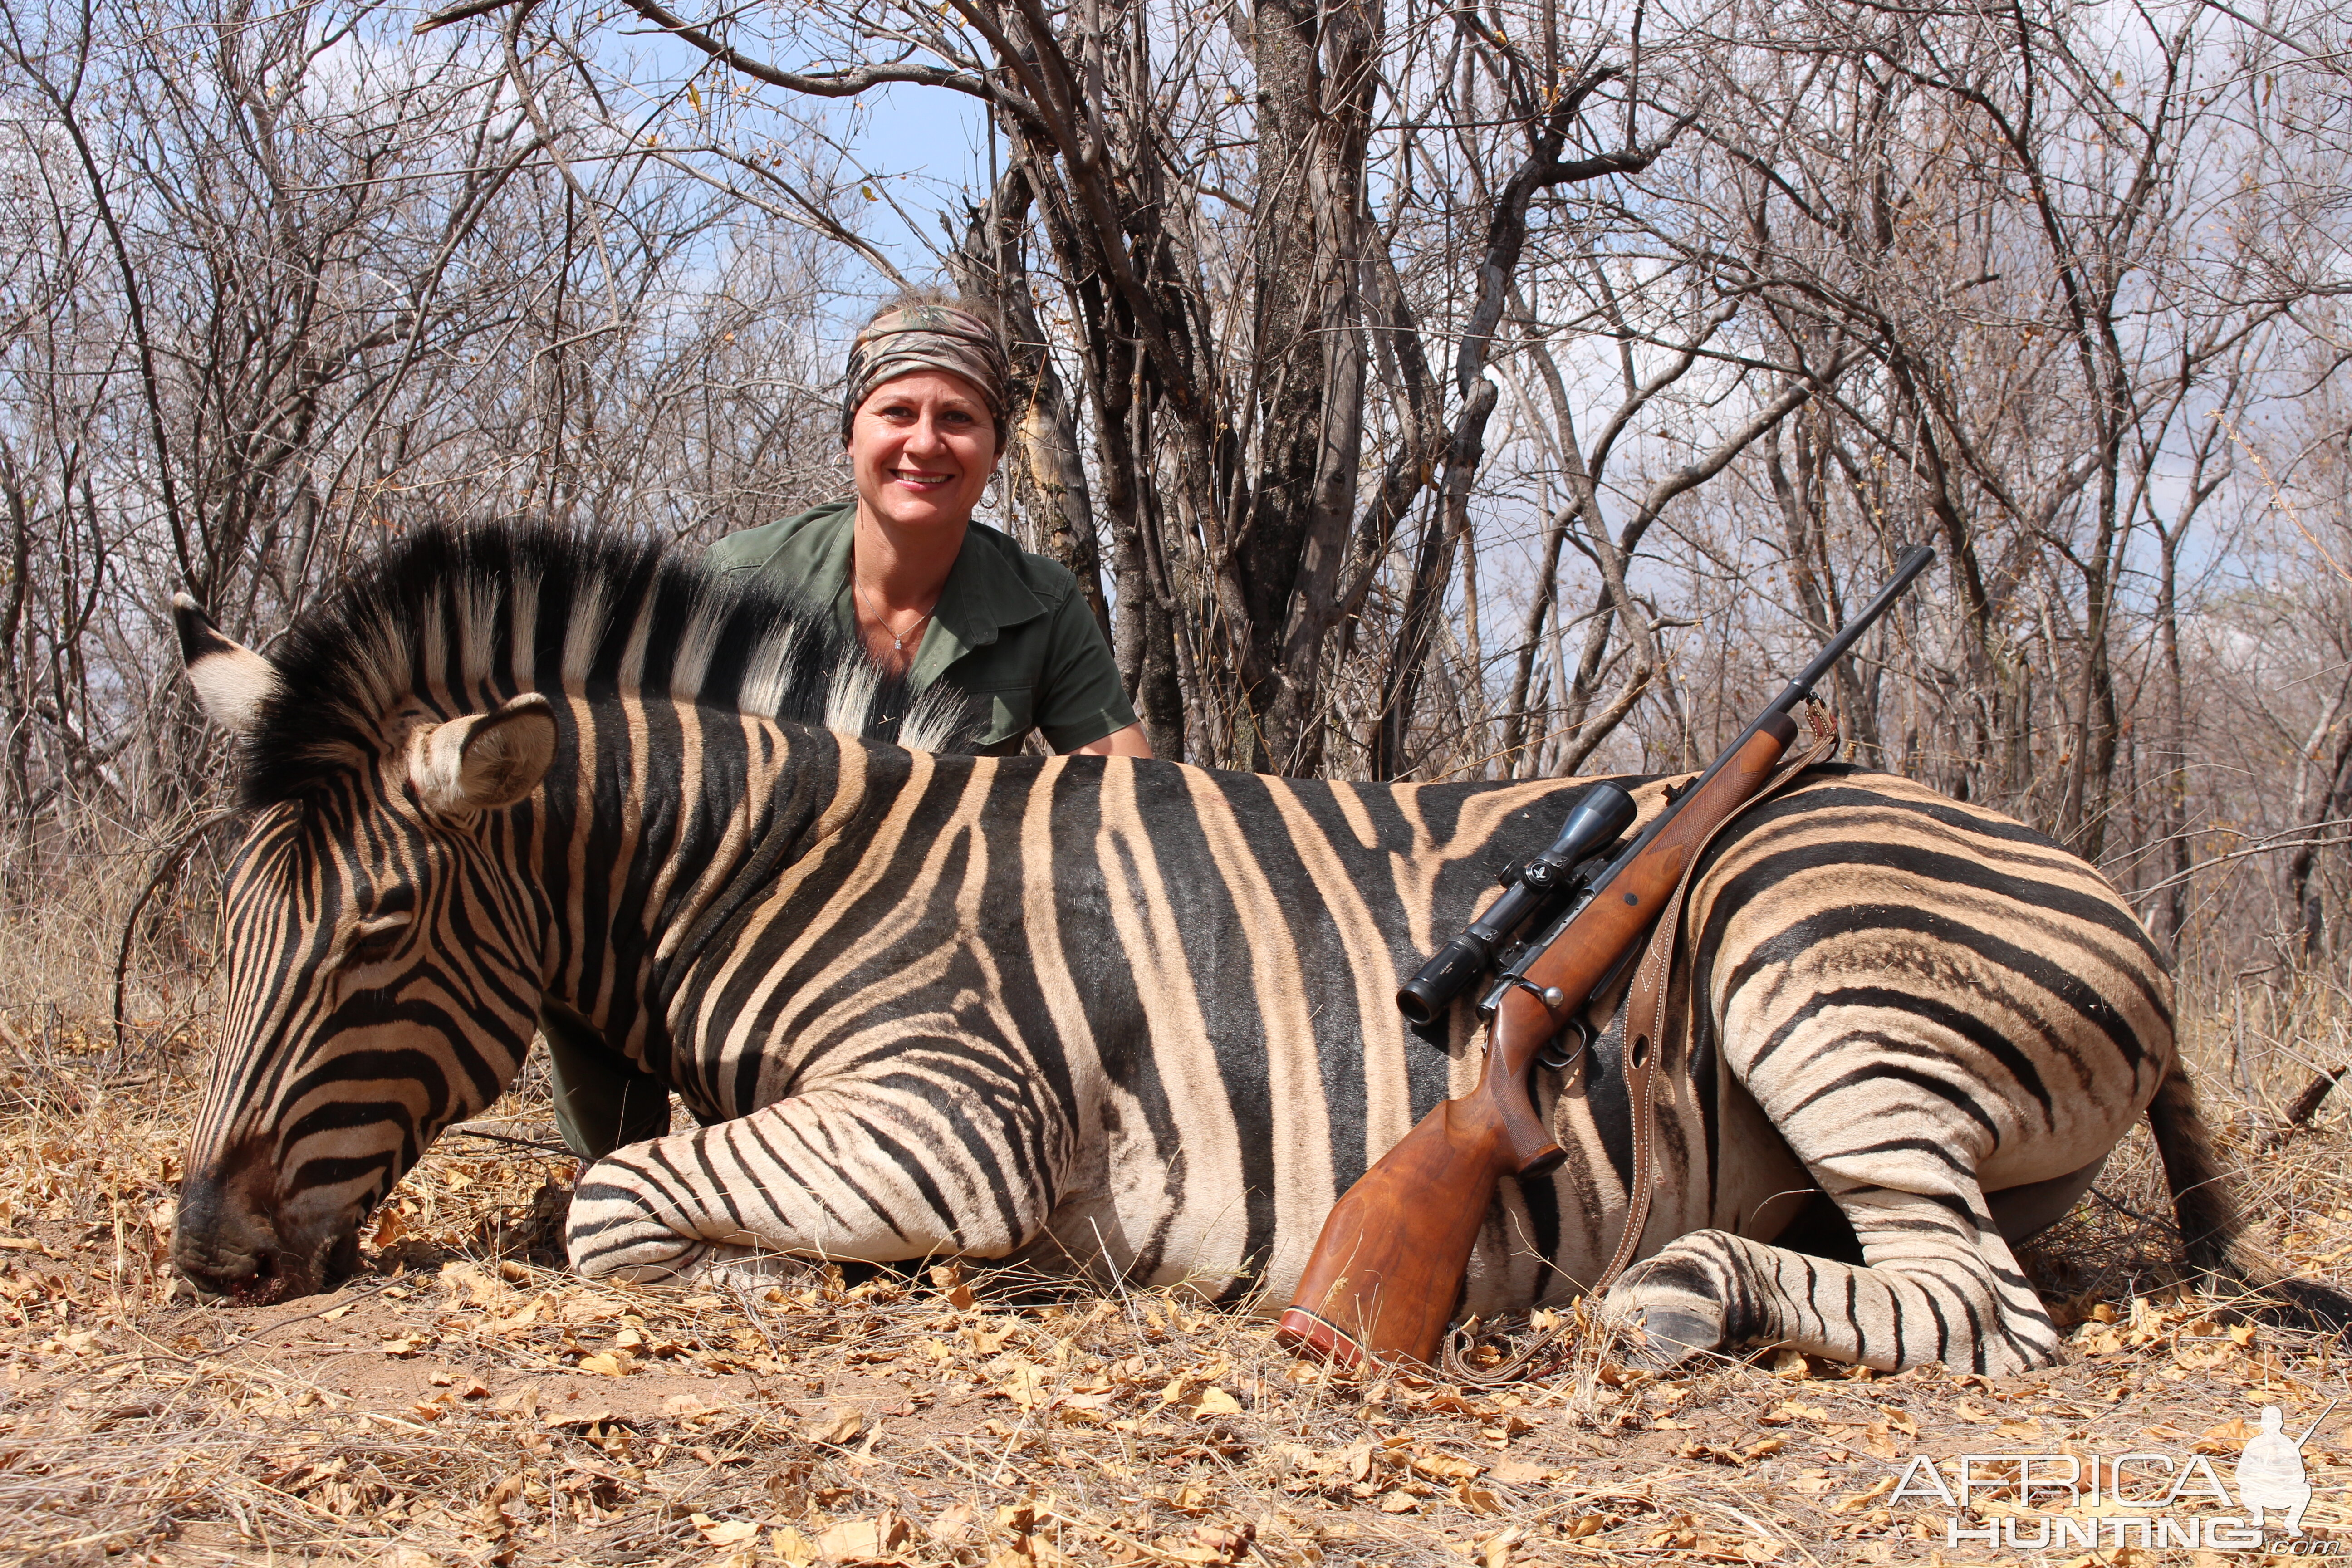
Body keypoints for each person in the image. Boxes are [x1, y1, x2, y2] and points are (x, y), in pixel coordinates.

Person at [542, 293, 1150, 1159]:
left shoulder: (1043, 602)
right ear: (852, 435)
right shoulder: (737, 582)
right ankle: (613, 1171)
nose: (926, 443)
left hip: (938, 956)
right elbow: (632, 790)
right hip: (750, 943)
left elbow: (1129, 795)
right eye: (897, 412)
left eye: (960, 418)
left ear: (995, 451)